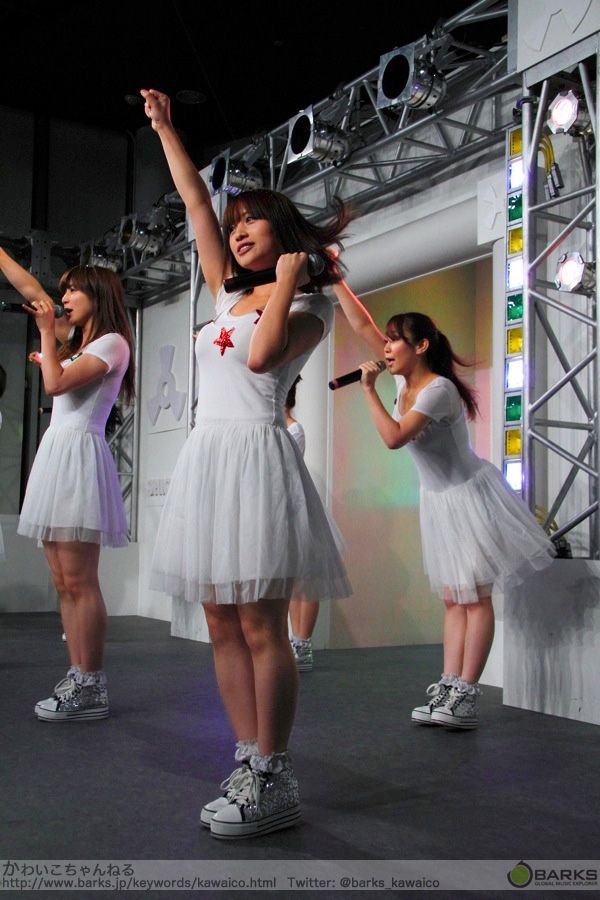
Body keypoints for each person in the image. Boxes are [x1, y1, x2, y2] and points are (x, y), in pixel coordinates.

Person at [142, 88, 351, 839]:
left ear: (281, 231)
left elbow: (263, 361)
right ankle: (246, 757)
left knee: (263, 624)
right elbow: (196, 201)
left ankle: (274, 772)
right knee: (219, 618)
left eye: (250, 221)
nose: (234, 232)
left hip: (258, 458)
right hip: (210, 456)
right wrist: (166, 129)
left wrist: (290, 281)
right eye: (233, 225)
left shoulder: (311, 309)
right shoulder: (224, 291)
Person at [333, 277, 555, 729]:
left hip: (469, 497)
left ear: (421, 346)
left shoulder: (438, 390)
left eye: (395, 340)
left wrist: (369, 390)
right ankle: (450, 685)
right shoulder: (404, 378)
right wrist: (335, 280)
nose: (386, 346)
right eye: (387, 339)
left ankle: (467, 694)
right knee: (454, 598)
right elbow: (362, 325)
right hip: (438, 501)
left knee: (475, 597)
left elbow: (394, 438)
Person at [0, 248, 134, 721]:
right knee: (62, 581)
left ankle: (91, 682)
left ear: (98, 294)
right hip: (57, 455)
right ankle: (77, 675)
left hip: (79, 457)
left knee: (80, 579)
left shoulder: (112, 343)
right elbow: (33, 291)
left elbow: (54, 384)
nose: (65, 298)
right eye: (65, 290)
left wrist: (44, 334)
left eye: (74, 289)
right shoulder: (78, 340)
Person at [284, 376, 320, 672]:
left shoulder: (293, 429)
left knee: (305, 579)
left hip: (295, 508)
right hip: (277, 510)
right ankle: (294, 640)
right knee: (288, 579)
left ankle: (303, 642)